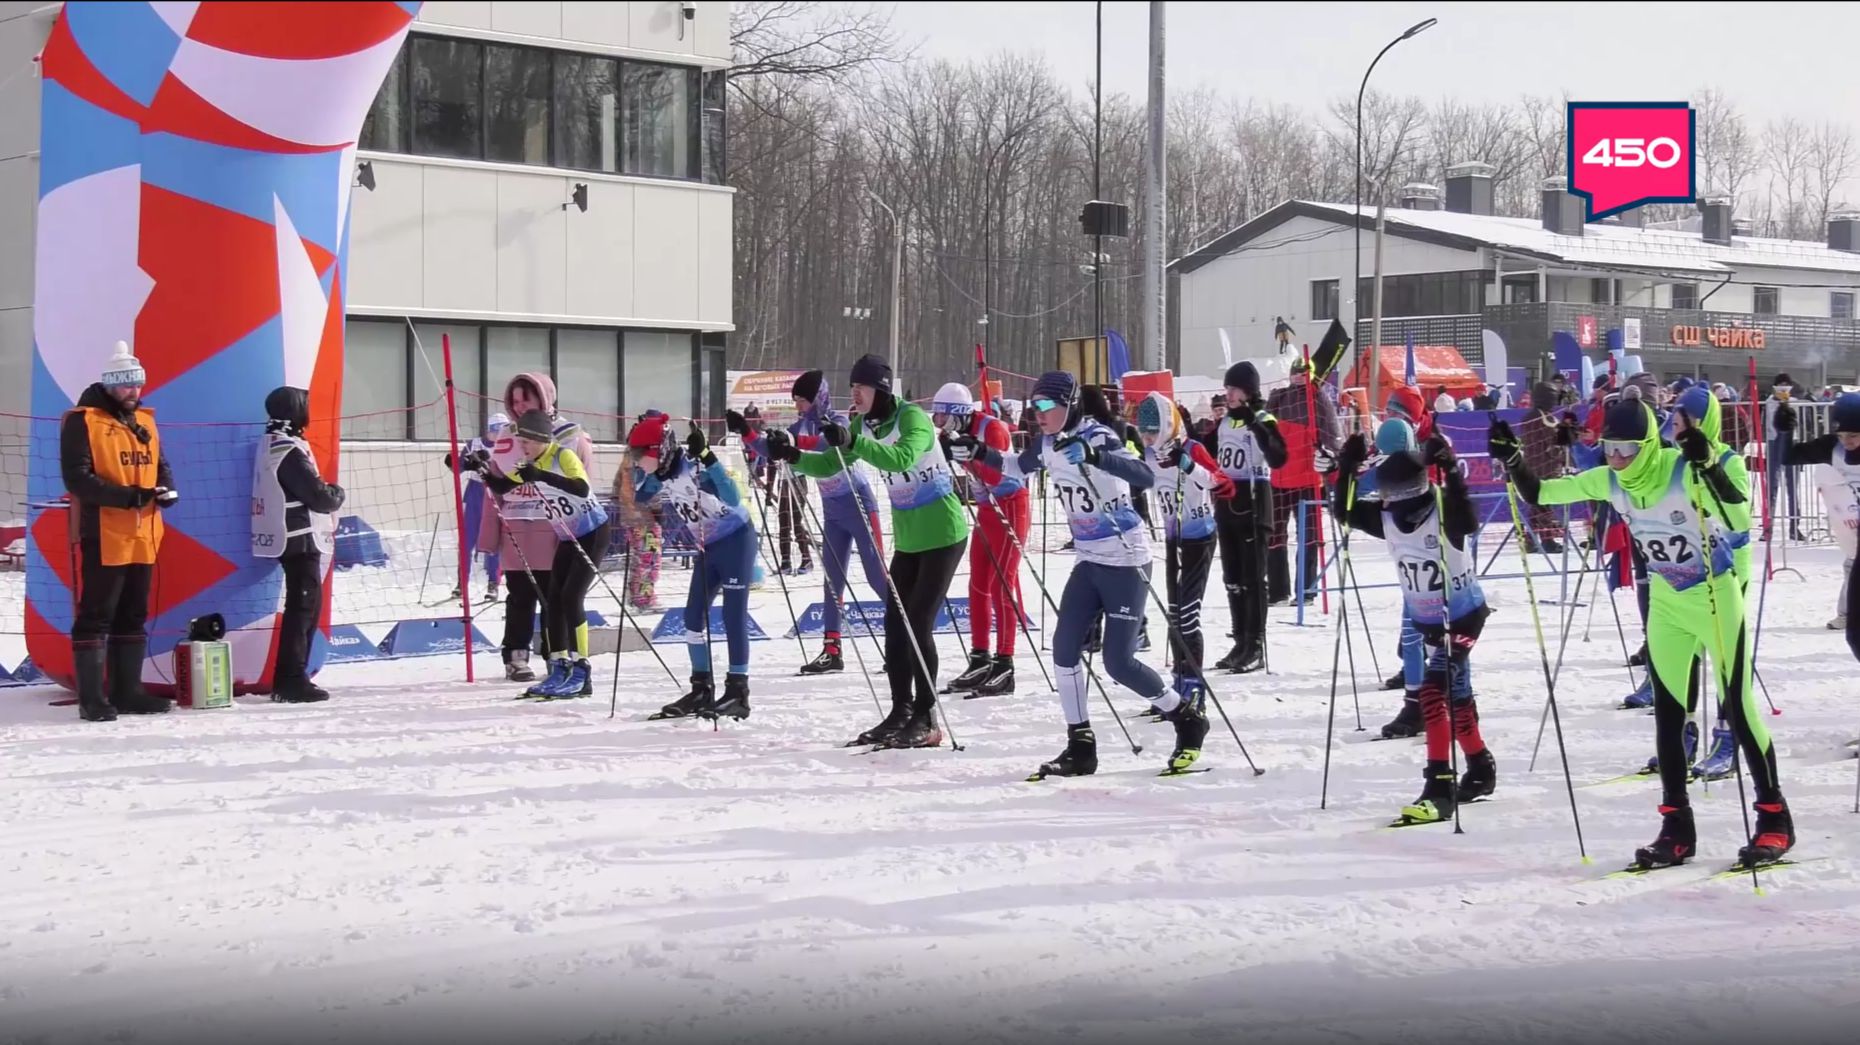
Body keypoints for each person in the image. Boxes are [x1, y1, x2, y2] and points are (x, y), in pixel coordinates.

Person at [1492, 400, 1792, 869]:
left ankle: (1774, 820)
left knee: (1738, 706)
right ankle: (1677, 829)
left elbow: (1739, 520)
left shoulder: (1681, 470)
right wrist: (1514, 460)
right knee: (1668, 719)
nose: (1617, 458)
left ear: (1649, 445)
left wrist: (1709, 467)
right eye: (1610, 448)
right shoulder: (1610, 480)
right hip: (1668, 606)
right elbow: (1541, 494)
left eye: (1627, 449)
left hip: (1715, 600)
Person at [952, 371, 1210, 778]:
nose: (1037, 413)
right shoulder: (1048, 442)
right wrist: (979, 452)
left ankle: (1186, 717)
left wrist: (1093, 456)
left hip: (1125, 559)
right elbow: (1016, 467)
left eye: (1044, 406)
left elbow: (1143, 475)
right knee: (1064, 648)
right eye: (1033, 405)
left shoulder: (1098, 436)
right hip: (1089, 560)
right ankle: (1080, 745)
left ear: (1068, 405)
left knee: (1118, 663)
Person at [778, 354, 968, 748]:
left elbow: (900, 458)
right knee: (894, 623)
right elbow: (831, 465)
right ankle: (900, 710)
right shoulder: (863, 424)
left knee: (917, 623)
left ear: (880, 389)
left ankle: (926, 717)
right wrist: (793, 456)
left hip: (943, 533)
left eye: (860, 387)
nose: (854, 394)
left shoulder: (912, 418)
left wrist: (854, 441)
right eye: (851, 387)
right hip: (911, 538)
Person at [1333, 427, 1494, 823]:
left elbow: (1468, 518)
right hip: (1430, 623)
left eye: (1387, 495)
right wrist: (1346, 468)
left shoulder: (1443, 512)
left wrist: (1451, 470)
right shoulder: (1388, 517)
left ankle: (1439, 788)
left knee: (1433, 692)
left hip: (1462, 618)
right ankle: (1480, 767)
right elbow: (1345, 512)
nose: (1383, 502)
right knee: (1457, 695)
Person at [734, 370, 888, 675]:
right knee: (832, 581)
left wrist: (794, 442)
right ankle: (832, 651)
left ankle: (904, 640)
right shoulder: (800, 424)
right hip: (833, 511)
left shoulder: (839, 421)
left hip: (858, 504)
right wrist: (746, 432)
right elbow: (771, 449)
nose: (798, 406)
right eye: (795, 401)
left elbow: (825, 444)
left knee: (877, 577)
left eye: (802, 400)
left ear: (818, 397)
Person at [59, 342, 177, 721]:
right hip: (105, 532)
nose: (133, 391)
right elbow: (78, 479)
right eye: (126, 384)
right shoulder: (83, 421)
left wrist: (167, 489)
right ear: (109, 384)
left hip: (145, 533)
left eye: (137, 384)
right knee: (97, 613)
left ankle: (128, 692)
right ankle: (92, 699)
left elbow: (160, 463)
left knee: (134, 612)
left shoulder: (145, 420)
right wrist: (128, 497)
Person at [637, 417, 757, 721]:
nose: (636, 460)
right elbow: (640, 496)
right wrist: (644, 473)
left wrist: (708, 456)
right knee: (692, 618)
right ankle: (701, 688)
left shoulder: (694, 467)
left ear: (660, 450)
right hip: (709, 547)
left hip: (736, 540)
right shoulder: (662, 473)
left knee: (732, 616)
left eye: (640, 454)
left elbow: (732, 496)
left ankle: (738, 692)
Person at [480, 373, 595, 683]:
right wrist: (488, 536)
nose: (519, 406)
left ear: (544, 398)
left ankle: (556, 655)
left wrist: (581, 533)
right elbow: (495, 488)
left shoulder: (571, 436)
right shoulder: (507, 437)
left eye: (526, 399)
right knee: (519, 595)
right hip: (516, 528)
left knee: (553, 596)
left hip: (555, 529)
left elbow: (583, 488)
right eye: (514, 401)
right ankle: (516, 655)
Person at [251, 386, 346, 703]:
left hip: (291, 534)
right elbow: (317, 496)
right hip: (298, 536)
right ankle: (290, 679)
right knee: (303, 608)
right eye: (305, 405)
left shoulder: (274, 441)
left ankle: (294, 676)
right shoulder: (287, 448)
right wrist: (336, 494)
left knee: (305, 606)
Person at [1135, 392, 1230, 706]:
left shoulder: (1192, 448)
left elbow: (1222, 483)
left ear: (1167, 426)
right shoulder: (1149, 456)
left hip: (1199, 538)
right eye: (1144, 433)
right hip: (1173, 539)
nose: (1148, 439)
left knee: (1188, 616)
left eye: (1152, 432)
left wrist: (1188, 465)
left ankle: (1194, 687)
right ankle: (1179, 684)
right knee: (1175, 615)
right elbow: (1137, 479)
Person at [932, 382, 1025, 696]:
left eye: (942, 417)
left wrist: (970, 456)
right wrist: (949, 453)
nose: (939, 423)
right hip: (986, 509)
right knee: (978, 584)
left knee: (1002, 584)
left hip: (1010, 505)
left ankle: (1005, 663)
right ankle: (980, 657)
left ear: (958, 414)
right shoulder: (953, 433)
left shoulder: (992, 428)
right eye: (936, 417)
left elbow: (998, 475)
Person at [1204, 362, 1285, 672]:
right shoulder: (1226, 422)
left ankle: (1255, 643)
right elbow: (1207, 450)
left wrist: (1255, 423)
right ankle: (1240, 641)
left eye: (1234, 389)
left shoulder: (1263, 418)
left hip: (1254, 501)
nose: (1228, 394)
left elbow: (1278, 457)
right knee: (1233, 579)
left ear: (1248, 391)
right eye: (1227, 389)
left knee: (1253, 579)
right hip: (1227, 502)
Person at [1784, 392, 1860, 639]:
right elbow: (1788, 456)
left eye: (1853, 435)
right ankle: (1848, 614)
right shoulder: (1832, 447)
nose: (1846, 441)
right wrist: (1785, 430)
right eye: (1841, 435)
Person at [1266, 356, 1340, 605]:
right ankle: (1278, 591)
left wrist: (1330, 457)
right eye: (1295, 371)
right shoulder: (1279, 397)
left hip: (1308, 479)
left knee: (1308, 536)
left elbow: (1333, 435)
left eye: (1303, 372)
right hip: (1280, 477)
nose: (1298, 376)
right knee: (1275, 535)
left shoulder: (1318, 398)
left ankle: (1306, 591)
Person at [447, 414, 509, 604]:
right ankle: (461, 583)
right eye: (496, 431)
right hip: (475, 493)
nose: (499, 436)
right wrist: (456, 463)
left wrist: (487, 463)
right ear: (489, 430)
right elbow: (459, 468)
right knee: (467, 540)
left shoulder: (507, 446)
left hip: (495, 493)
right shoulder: (473, 444)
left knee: (493, 541)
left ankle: (493, 583)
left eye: (503, 431)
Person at [613, 412, 667, 613]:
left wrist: (618, 499)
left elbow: (619, 480)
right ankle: (643, 599)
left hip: (631, 512)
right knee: (649, 557)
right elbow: (649, 486)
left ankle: (636, 596)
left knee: (640, 556)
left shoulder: (632, 450)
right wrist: (657, 510)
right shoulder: (646, 453)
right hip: (643, 515)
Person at [1764, 374, 1804, 541]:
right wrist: (1779, 402)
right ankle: (1768, 527)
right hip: (1774, 443)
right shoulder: (1769, 402)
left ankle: (1794, 526)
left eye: (1786, 384)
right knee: (1771, 486)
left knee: (1792, 487)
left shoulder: (1795, 402)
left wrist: (1787, 403)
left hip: (1791, 442)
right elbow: (1771, 423)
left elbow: (1795, 422)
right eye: (1780, 384)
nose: (1783, 387)